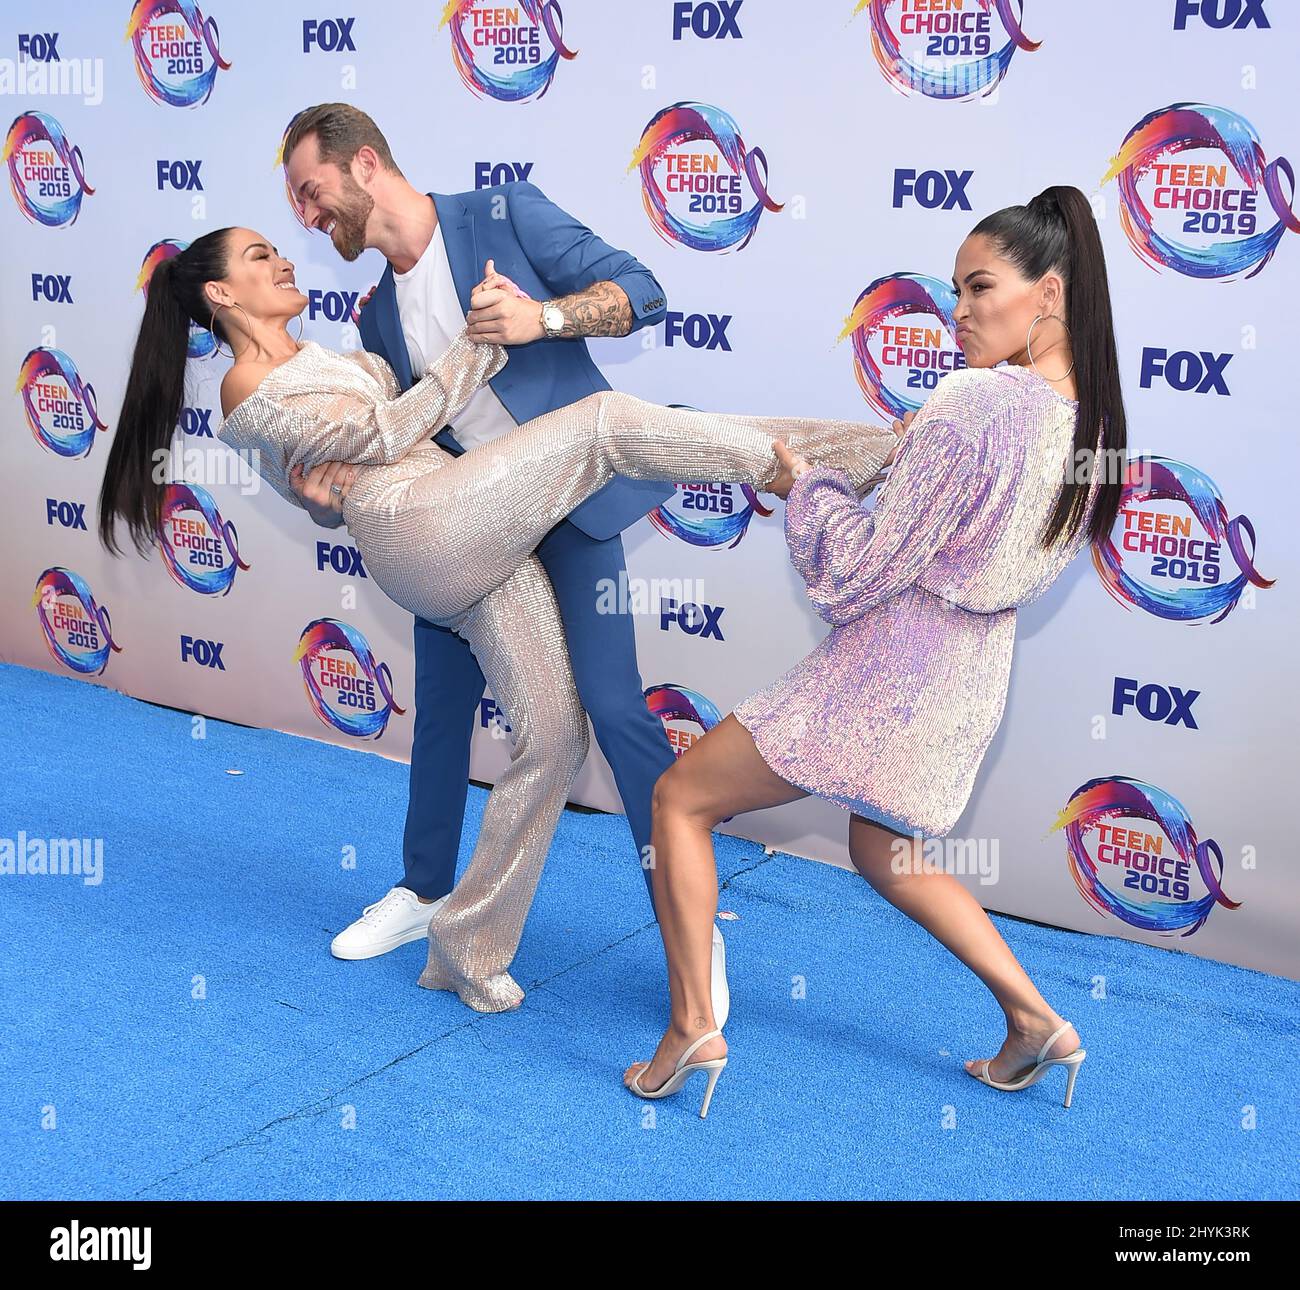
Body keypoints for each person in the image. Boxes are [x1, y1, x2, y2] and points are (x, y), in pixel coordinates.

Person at [96, 224, 901, 1013]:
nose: (280, 259)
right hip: (415, 526)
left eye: (276, 248)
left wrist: (331, 486)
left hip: (463, 519)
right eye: (259, 255)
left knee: (553, 738)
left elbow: (357, 459)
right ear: (220, 292)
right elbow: (380, 434)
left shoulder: (342, 358)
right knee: (603, 422)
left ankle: (467, 950)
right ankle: (866, 457)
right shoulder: (244, 387)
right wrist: (483, 340)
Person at [623, 185, 1125, 1117]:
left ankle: (692, 1024)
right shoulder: (1093, 424)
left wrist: (808, 488)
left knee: (680, 798)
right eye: (955, 290)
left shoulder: (977, 402)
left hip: (893, 666)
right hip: (970, 674)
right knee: (884, 846)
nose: (958, 311)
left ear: (1049, 294)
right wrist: (911, 457)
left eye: (980, 288)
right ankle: (1036, 1021)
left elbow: (860, 570)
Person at [277, 102, 725, 1015]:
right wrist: (328, 491)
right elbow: (398, 441)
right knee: (442, 705)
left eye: (312, 192)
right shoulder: (375, 316)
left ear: (365, 164)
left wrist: (541, 317)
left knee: (613, 707)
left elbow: (642, 291)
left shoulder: (505, 214)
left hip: (569, 504)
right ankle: (423, 892)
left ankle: (690, 925)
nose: (307, 218)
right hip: (466, 528)